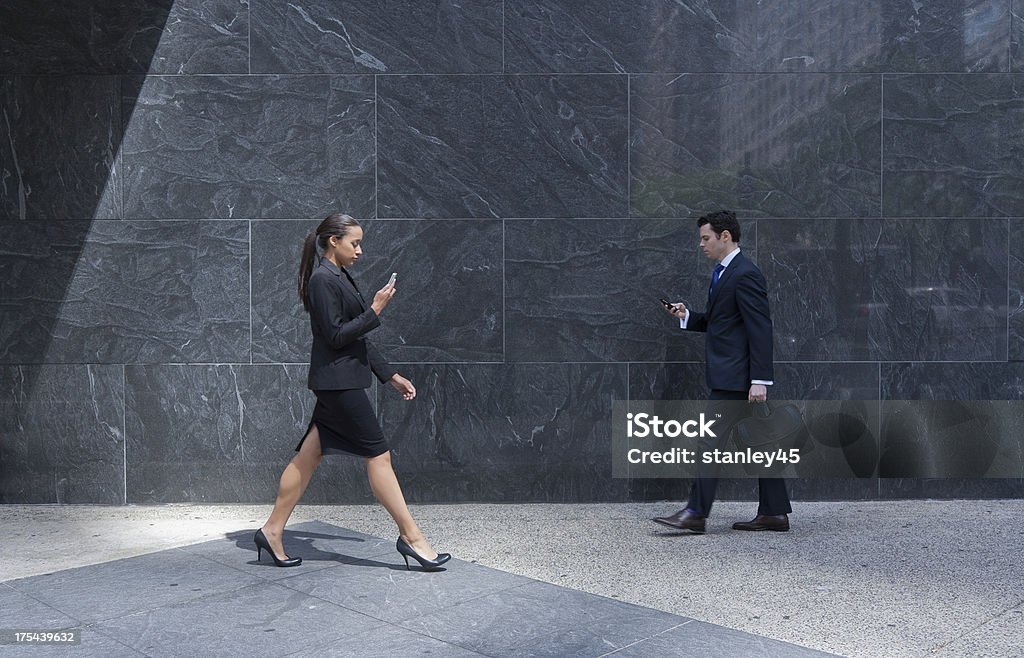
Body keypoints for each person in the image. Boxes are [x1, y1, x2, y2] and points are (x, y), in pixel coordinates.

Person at [255, 213, 451, 570]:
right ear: (334, 241)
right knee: (379, 455)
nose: (360, 250)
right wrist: (375, 309)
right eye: (354, 242)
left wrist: (389, 374)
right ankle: (412, 537)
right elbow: (335, 336)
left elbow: (354, 337)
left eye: (360, 243)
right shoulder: (322, 280)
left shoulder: (338, 275)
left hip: (338, 381)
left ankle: (271, 531)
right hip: (339, 384)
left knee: (308, 458)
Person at [653, 210, 792, 533]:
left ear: (725, 236)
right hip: (736, 378)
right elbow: (722, 323)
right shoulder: (724, 273)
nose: (701, 244)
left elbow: (761, 329)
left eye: (706, 238)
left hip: (737, 381)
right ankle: (773, 513)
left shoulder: (745, 274)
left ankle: (696, 514)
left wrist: (759, 380)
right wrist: (687, 316)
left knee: (708, 443)